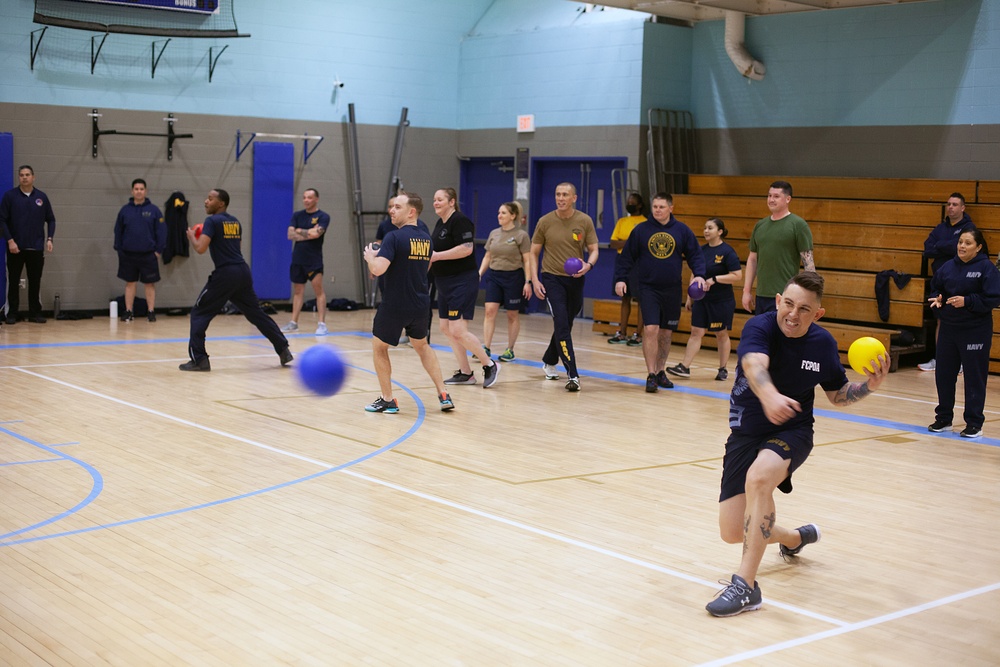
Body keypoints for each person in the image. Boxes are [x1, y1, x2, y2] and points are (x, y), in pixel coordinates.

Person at [706, 271, 888, 617]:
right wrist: (770, 394)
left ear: (817, 314)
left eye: (804, 309)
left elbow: (838, 394)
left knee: (760, 478)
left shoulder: (822, 344)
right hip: (745, 433)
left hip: (793, 430)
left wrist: (869, 387)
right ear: (778, 301)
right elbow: (753, 364)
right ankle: (794, 538)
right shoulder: (760, 328)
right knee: (733, 531)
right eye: (788, 304)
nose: (793, 313)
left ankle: (746, 587)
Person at [180, 189, 293, 372]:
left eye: (210, 199)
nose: (206, 201)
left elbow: (200, 248)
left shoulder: (211, 221)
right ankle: (283, 349)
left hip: (225, 274)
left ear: (221, 203)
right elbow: (236, 248)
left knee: (199, 313)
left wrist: (193, 237)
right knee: (256, 314)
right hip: (242, 271)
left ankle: (199, 359)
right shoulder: (235, 222)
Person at [362, 191, 455, 413]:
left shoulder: (393, 237)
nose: (392, 210)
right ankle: (443, 394)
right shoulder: (426, 238)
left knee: (379, 347)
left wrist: (370, 258)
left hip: (395, 304)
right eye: (392, 206)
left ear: (411, 211)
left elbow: (378, 270)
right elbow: (427, 266)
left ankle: (388, 399)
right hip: (420, 304)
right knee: (422, 346)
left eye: (398, 207)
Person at [614, 193, 706, 393]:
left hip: (672, 289)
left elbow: (695, 255)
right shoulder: (641, 230)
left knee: (665, 332)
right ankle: (651, 374)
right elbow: (626, 257)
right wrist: (621, 278)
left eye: (661, 207)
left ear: (671, 208)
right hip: (648, 288)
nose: (657, 210)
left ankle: (661, 370)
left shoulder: (682, 230)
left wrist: (699, 275)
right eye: (655, 206)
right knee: (651, 329)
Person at [926, 229, 1000, 438]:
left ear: (978, 247)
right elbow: (935, 291)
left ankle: (974, 423)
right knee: (944, 374)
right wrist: (937, 300)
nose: (962, 246)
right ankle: (943, 419)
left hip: (975, 331)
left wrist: (967, 301)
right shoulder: (947, 267)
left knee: (974, 377)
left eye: (968, 243)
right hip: (949, 328)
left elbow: (993, 298)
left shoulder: (987, 269)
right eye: (960, 242)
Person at [531, 182, 599, 392]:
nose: (560, 198)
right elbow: (533, 253)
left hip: (576, 279)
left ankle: (549, 359)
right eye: (558, 194)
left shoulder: (584, 221)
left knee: (566, 323)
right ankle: (573, 374)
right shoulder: (545, 221)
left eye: (565, 195)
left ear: (574, 198)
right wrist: (534, 280)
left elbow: (594, 249)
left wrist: (588, 265)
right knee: (561, 323)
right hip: (552, 278)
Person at [429, 187, 500, 388]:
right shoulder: (439, 223)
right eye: (434, 199)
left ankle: (489, 364)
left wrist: (437, 256)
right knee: (446, 327)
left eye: (440, 199)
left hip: (461, 281)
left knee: (458, 329)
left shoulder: (460, 221)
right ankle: (466, 372)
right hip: (443, 282)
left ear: (452, 202)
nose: (436, 203)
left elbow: (466, 249)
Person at [667, 218, 742, 381]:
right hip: (702, 299)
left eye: (710, 228)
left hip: (721, 300)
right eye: (705, 228)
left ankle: (722, 369)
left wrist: (714, 279)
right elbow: (695, 273)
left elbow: (737, 276)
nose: (706, 231)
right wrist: (689, 296)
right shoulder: (700, 251)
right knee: (696, 332)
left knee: (720, 333)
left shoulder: (727, 252)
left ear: (720, 232)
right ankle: (684, 367)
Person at [919, 192, 976, 372]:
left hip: (961, 281)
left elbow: (958, 249)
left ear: (962, 208)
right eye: (949, 204)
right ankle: (940, 359)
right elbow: (928, 249)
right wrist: (946, 246)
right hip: (941, 281)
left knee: (959, 320)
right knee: (941, 321)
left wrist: (941, 246)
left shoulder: (968, 227)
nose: (951, 207)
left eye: (955, 204)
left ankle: (959, 362)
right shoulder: (940, 228)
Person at [741, 181, 814, 315]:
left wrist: (811, 295)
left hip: (786, 296)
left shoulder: (798, 225)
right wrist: (746, 291)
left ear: (788, 199)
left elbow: (808, 263)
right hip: (762, 295)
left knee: (782, 335)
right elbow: (752, 260)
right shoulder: (760, 225)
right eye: (769, 196)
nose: (771, 200)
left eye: (776, 196)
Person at [478, 201, 532, 362]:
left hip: (513, 277)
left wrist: (527, 282)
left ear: (513, 216)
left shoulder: (521, 235)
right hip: (494, 276)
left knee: (512, 314)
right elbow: (488, 256)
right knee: (489, 311)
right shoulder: (494, 233)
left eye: (503, 213)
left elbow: (527, 260)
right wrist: (479, 273)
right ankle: (486, 348)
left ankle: (510, 350)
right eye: (499, 213)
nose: (499, 216)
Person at [2, 165, 55, 324]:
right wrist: (10, 241)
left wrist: (50, 238)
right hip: (15, 248)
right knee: (13, 280)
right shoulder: (10, 196)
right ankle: (12, 313)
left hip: (36, 247)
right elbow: (2, 220)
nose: (24, 177)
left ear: (33, 177)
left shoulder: (42, 197)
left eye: (27, 174)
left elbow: (51, 219)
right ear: (19, 178)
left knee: (35, 281)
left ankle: (35, 313)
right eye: (21, 175)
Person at [113, 178, 165, 322]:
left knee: (149, 284)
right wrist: (119, 249)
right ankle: (129, 311)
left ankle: (151, 311)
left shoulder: (154, 210)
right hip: (128, 254)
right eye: (136, 189)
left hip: (148, 254)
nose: (139, 191)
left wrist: (158, 251)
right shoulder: (125, 210)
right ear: (132, 191)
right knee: (130, 283)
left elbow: (161, 232)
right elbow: (118, 231)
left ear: (145, 191)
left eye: (141, 189)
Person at [280, 188, 331, 335]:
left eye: (309, 197)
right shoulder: (297, 215)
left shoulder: (323, 216)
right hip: (298, 258)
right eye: (304, 197)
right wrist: (309, 232)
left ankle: (322, 324)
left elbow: (317, 234)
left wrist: (300, 231)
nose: (306, 200)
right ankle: (293, 322)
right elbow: (290, 234)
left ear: (316, 199)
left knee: (318, 291)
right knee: (298, 291)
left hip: (313, 260)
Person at [607, 193, 646, 346]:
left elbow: (642, 246)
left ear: (640, 205)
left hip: (639, 262)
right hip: (622, 261)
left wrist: (625, 243)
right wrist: (631, 243)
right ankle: (622, 333)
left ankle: (638, 334)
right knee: (624, 297)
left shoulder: (645, 223)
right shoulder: (622, 221)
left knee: (641, 299)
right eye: (628, 201)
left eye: (633, 202)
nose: (630, 203)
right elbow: (613, 243)